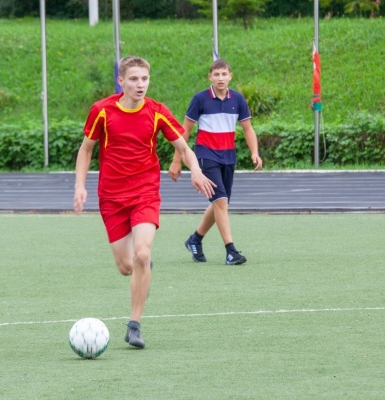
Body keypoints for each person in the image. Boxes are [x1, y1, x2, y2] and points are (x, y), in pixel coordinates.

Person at [73, 56, 215, 349]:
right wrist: (79, 186)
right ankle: (142, 265)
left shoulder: (157, 111)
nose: (140, 85)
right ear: (121, 81)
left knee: (141, 253)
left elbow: (183, 148)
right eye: (134, 79)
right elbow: (86, 149)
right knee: (127, 266)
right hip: (111, 197)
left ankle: (134, 326)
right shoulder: (102, 111)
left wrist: (196, 170)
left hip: (145, 193)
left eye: (145, 79)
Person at [168, 59, 262, 265]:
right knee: (220, 201)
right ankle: (231, 251)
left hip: (228, 156)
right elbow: (184, 131)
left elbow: (248, 128)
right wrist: (177, 160)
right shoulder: (200, 99)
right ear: (210, 77)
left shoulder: (237, 99)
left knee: (220, 202)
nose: (220, 78)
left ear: (230, 76)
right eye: (216, 74)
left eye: (224, 74)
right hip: (206, 155)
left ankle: (195, 239)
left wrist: (255, 152)